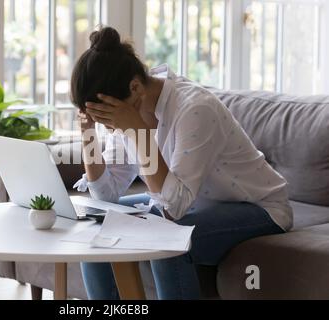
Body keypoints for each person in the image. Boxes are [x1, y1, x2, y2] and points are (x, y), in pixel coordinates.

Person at [70, 26, 293, 300]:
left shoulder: (195, 109)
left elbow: (172, 208)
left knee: (166, 237)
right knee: (96, 222)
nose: (109, 128)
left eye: (106, 118)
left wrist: (139, 132)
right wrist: (88, 134)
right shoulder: (124, 114)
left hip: (258, 208)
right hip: (193, 203)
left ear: (135, 87)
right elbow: (106, 194)